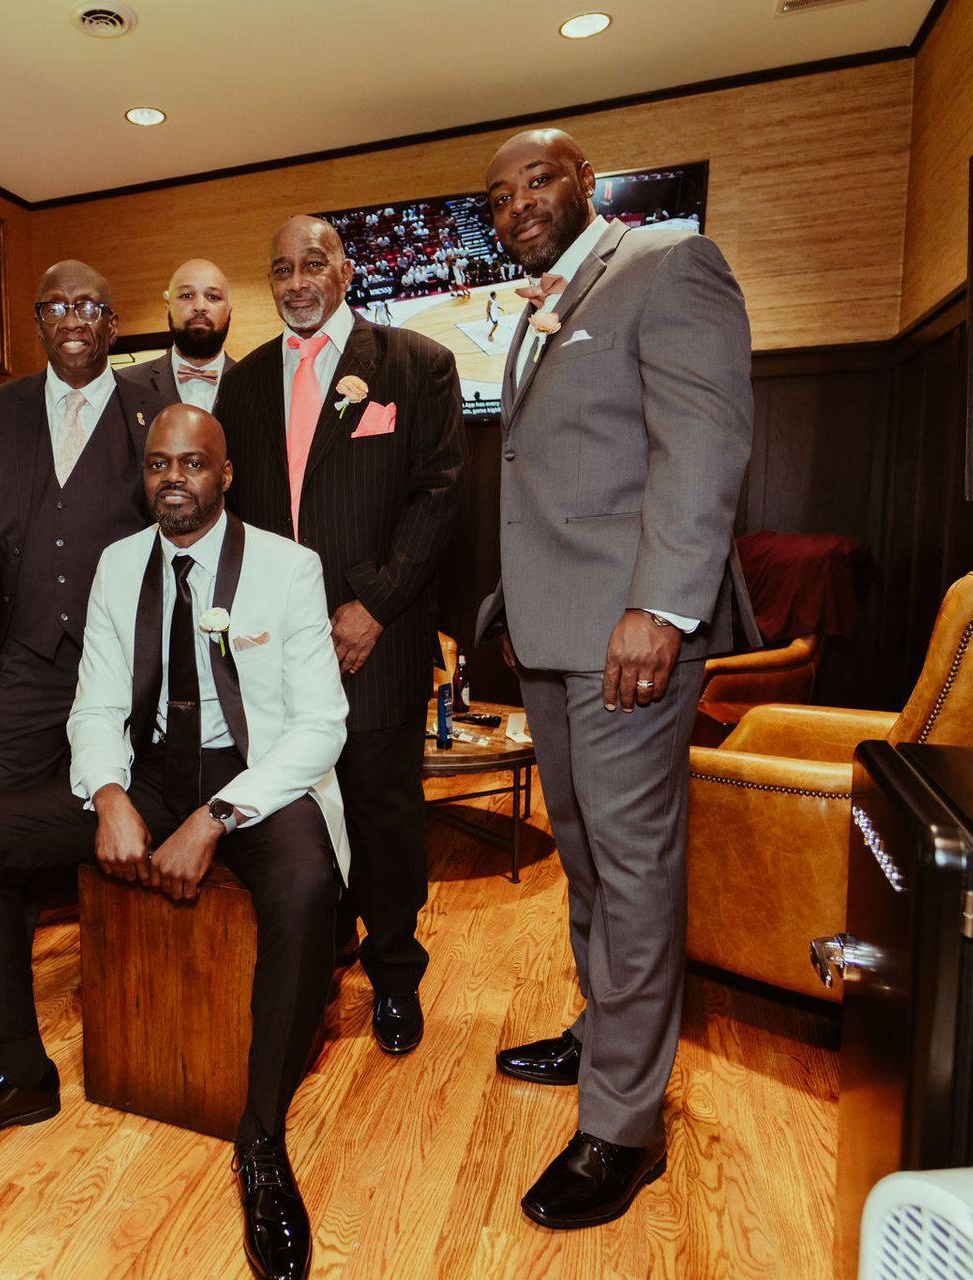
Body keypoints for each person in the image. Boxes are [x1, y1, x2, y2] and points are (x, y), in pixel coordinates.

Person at [0, 405, 347, 1280]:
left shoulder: (288, 567)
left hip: (256, 773)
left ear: (225, 475)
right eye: (158, 464)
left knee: (303, 887)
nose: (174, 478)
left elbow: (322, 726)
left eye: (193, 463)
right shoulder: (119, 564)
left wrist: (217, 818)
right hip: (150, 771)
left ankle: (261, 1135)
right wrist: (107, 794)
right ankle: (18, 1072)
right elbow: (96, 704)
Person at [475, 127, 756, 1230]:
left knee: (633, 871)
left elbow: (704, 444)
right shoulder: (541, 305)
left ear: (588, 180)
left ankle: (624, 1125)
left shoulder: (668, 263)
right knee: (587, 858)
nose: (518, 205)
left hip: (631, 637)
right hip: (552, 635)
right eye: (500, 197)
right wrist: (514, 611)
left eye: (538, 180)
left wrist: (662, 608)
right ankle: (604, 1032)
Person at [214, 214, 465, 1057]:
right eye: (281, 268)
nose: (297, 281)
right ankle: (318, 953)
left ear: (347, 271)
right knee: (296, 809)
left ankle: (395, 973)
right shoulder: (245, 382)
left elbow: (440, 496)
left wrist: (375, 605)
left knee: (381, 810)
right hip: (275, 650)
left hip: (374, 638)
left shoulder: (416, 365)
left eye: (313, 263)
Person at [0, 260, 169, 1032]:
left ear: (113, 325)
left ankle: (124, 986)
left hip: (125, 665)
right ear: (38, 321)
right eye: (58, 306)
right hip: (26, 660)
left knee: (122, 814)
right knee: (4, 833)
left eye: (91, 306)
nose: (74, 319)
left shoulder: (153, 409)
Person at [121, 258, 235, 412]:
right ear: (168, 308)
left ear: (229, 311)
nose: (200, 306)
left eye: (213, 297)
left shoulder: (256, 384)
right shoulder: (125, 384)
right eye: (187, 295)